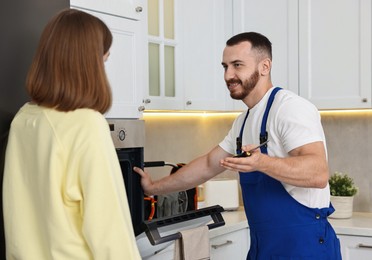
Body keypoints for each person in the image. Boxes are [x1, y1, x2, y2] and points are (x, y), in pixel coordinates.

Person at [134, 32, 342, 259]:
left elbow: (317, 172)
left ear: (264, 67)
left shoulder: (290, 108)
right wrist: (153, 188)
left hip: (304, 248)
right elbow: (207, 164)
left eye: (237, 65)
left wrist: (262, 162)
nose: (228, 75)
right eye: (225, 66)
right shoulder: (243, 122)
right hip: (263, 247)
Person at [3, 9, 141, 259]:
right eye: (103, 60)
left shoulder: (24, 119)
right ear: (89, 63)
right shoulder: (86, 124)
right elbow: (109, 231)